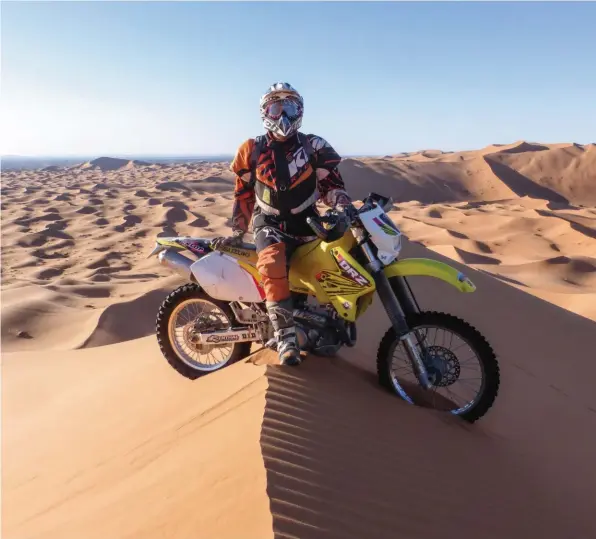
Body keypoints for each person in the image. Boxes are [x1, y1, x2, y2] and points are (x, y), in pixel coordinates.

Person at [212, 82, 355, 366]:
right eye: (275, 108)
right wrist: (239, 232)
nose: (283, 116)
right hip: (270, 222)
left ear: (299, 110)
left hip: (309, 220)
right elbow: (242, 194)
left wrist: (342, 204)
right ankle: (285, 338)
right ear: (265, 112)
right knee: (273, 262)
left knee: (340, 258)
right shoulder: (250, 149)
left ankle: (328, 323)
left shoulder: (315, 146)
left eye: (289, 107)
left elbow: (331, 184)